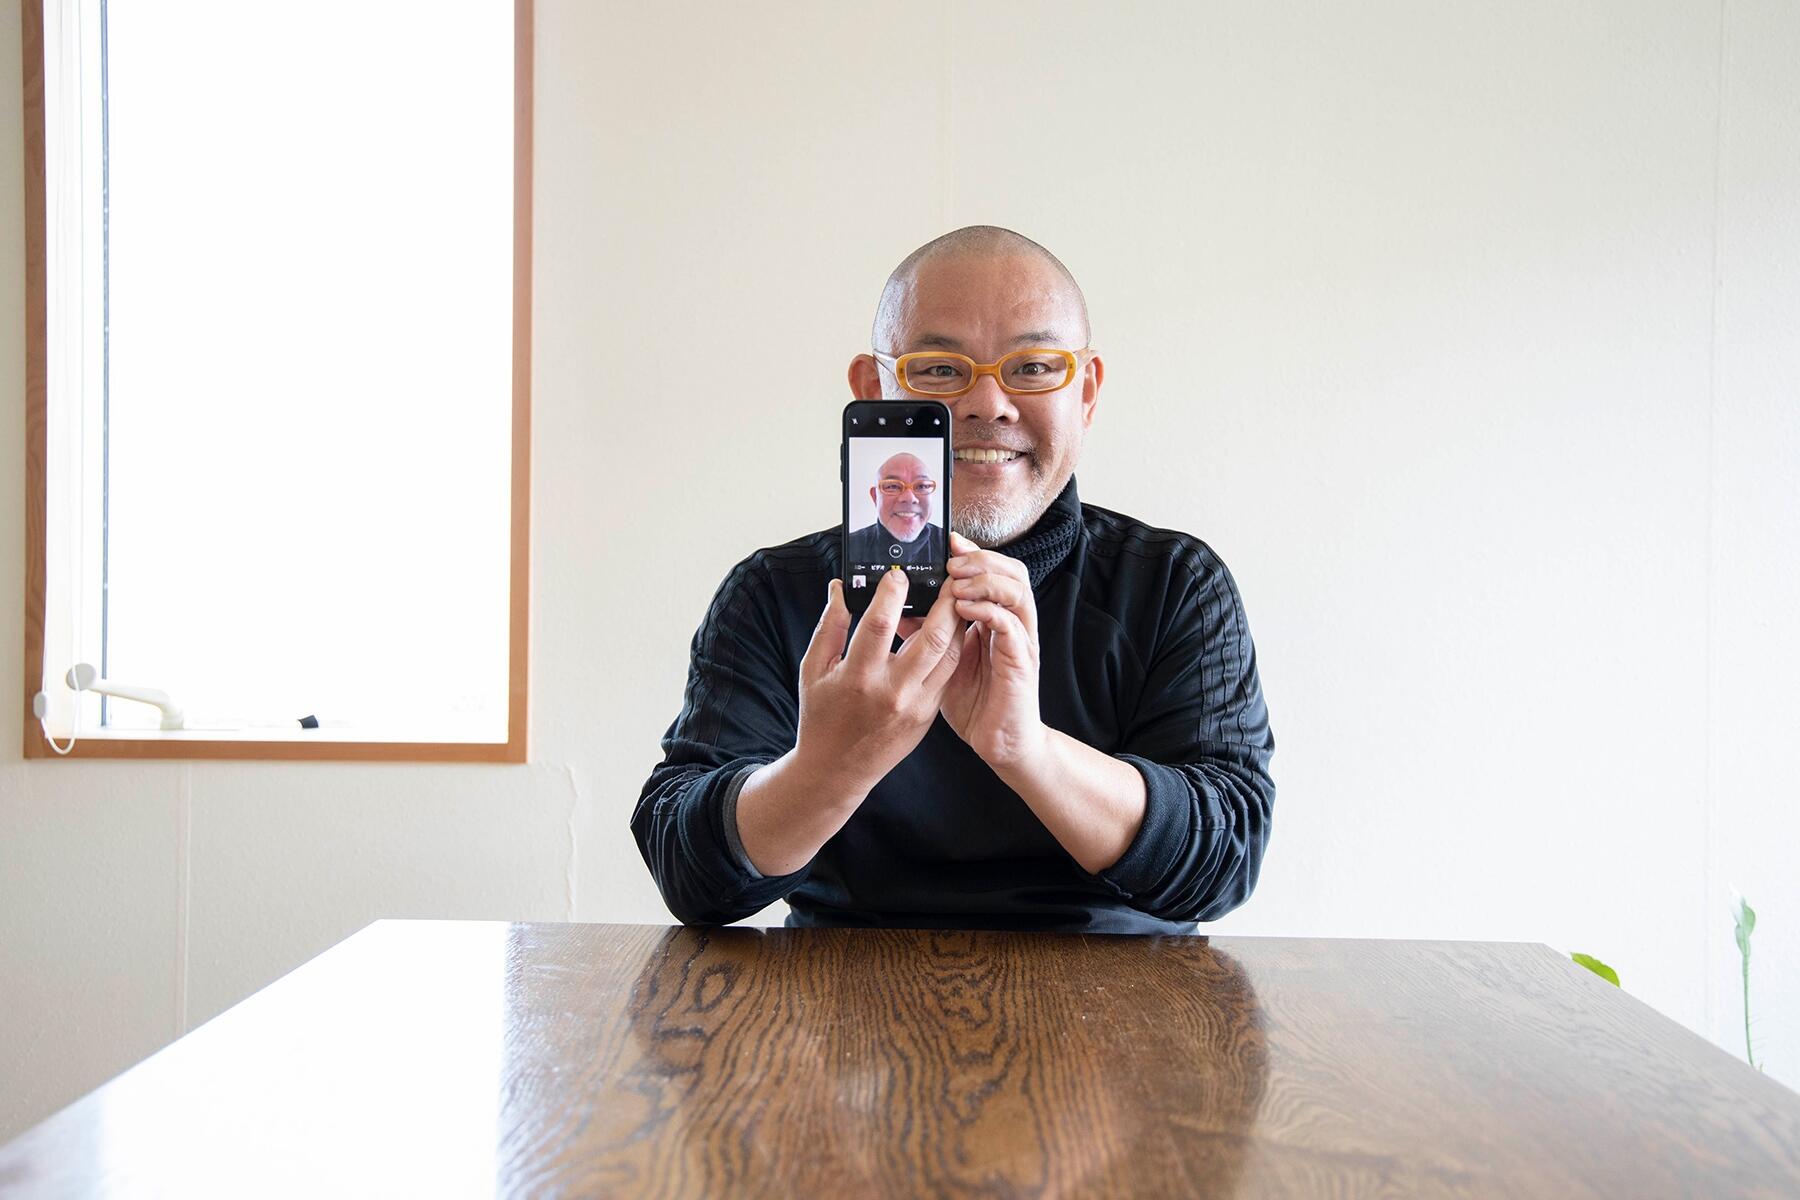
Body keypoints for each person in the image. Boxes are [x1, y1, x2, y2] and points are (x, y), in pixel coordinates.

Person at [633, 226, 1275, 934]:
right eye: (939, 369)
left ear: (1087, 393)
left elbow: (1227, 858)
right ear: (873, 390)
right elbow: (686, 873)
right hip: (837, 991)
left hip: (1123, 991)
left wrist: (1028, 751)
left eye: (1034, 367)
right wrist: (829, 766)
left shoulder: (1176, 586)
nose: (987, 404)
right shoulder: (774, 594)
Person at [844, 451, 947, 566]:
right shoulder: (842, 548)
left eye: (921, 486)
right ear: (875, 497)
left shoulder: (952, 547)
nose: (909, 498)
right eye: (893, 486)